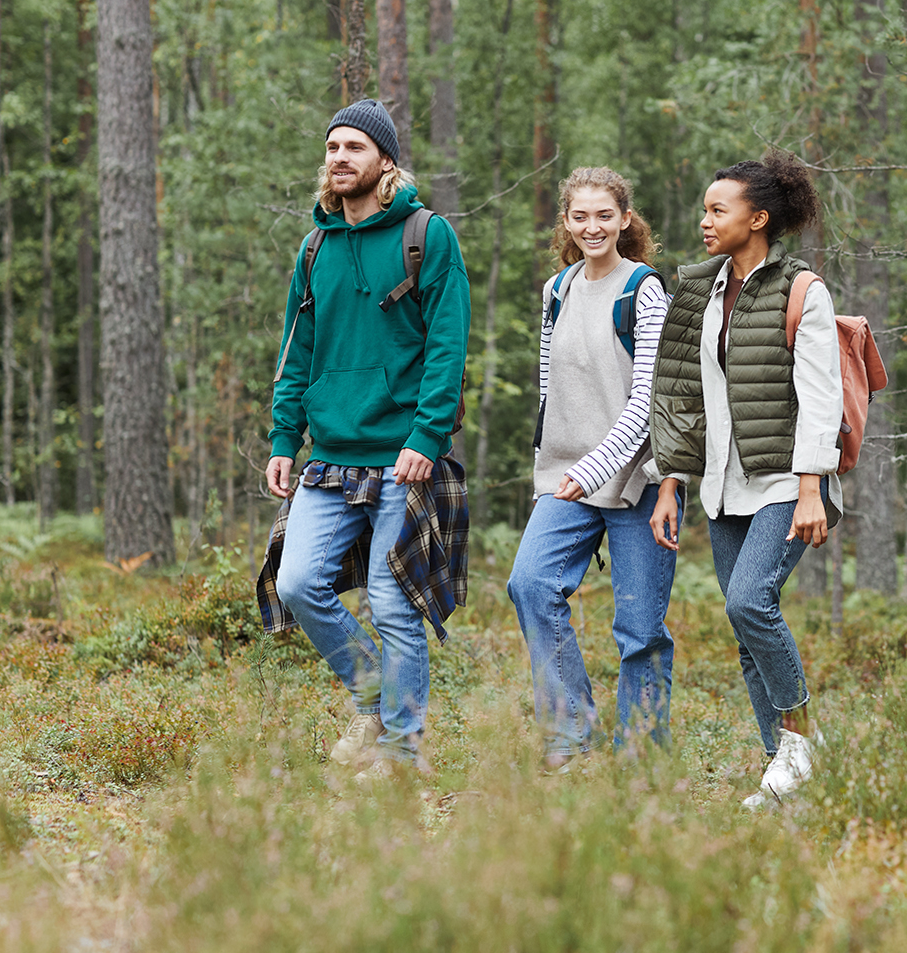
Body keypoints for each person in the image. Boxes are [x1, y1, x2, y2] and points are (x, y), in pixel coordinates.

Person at [260, 99, 471, 783]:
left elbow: (448, 344)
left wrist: (427, 433)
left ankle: (402, 752)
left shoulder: (425, 234)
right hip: (333, 457)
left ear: (385, 159)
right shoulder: (315, 246)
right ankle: (376, 700)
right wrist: (283, 436)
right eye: (333, 147)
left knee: (390, 598)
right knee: (295, 582)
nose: (340, 158)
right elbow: (299, 348)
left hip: (404, 457)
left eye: (356, 147)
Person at [649, 150, 843, 810]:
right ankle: (782, 778)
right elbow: (681, 394)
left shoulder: (802, 291)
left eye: (718, 210)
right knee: (744, 631)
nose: (704, 221)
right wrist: (673, 480)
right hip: (724, 484)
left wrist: (814, 487)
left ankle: (801, 739)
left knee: (748, 602)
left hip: (787, 480)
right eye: (705, 209)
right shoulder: (701, 287)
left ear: (757, 218)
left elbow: (822, 399)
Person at [506, 167, 678, 766]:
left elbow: (647, 397)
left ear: (624, 219)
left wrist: (599, 466)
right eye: (580, 216)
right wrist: (545, 474)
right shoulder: (557, 290)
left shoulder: (643, 290)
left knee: (639, 629)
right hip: (566, 478)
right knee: (529, 583)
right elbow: (553, 392)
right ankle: (569, 735)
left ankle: (641, 759)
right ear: (567, 222)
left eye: (604, 215)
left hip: (636, 481)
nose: (592, 226)